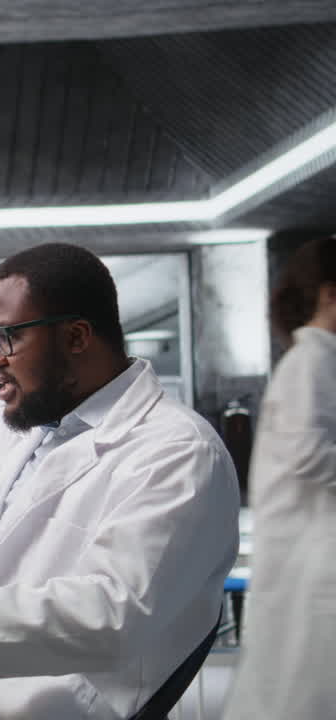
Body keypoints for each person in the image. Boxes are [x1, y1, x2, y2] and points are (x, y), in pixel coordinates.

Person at [0, 243, 240, 719]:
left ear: (77, 337)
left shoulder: (178, 452)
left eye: (6, 338)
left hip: (53, 707)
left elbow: (106, 616)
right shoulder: (19, 429)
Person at [224, 237, 336, 720]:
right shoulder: (311, 361)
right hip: (309, 563)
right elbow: (307, 453)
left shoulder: (317, 359)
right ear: (330, 294)